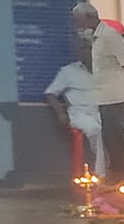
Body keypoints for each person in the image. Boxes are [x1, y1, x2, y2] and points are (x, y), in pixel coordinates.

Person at [71, 2, 124, 176]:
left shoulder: (110, 36)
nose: (78, 25)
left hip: (117, 95)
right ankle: (123, 171)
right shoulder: (95, 37)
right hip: (104, 95)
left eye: (79, 20)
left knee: (115, 135)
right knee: (110, 136)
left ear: (90, 17)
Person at [43, 47, 105, 176]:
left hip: (101, 112)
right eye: (86, 50)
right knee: (95, 129)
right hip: (80, 114)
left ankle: (121, 170)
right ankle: (102, 174)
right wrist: (60, 114)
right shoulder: (68, 71)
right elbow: (50, 93)